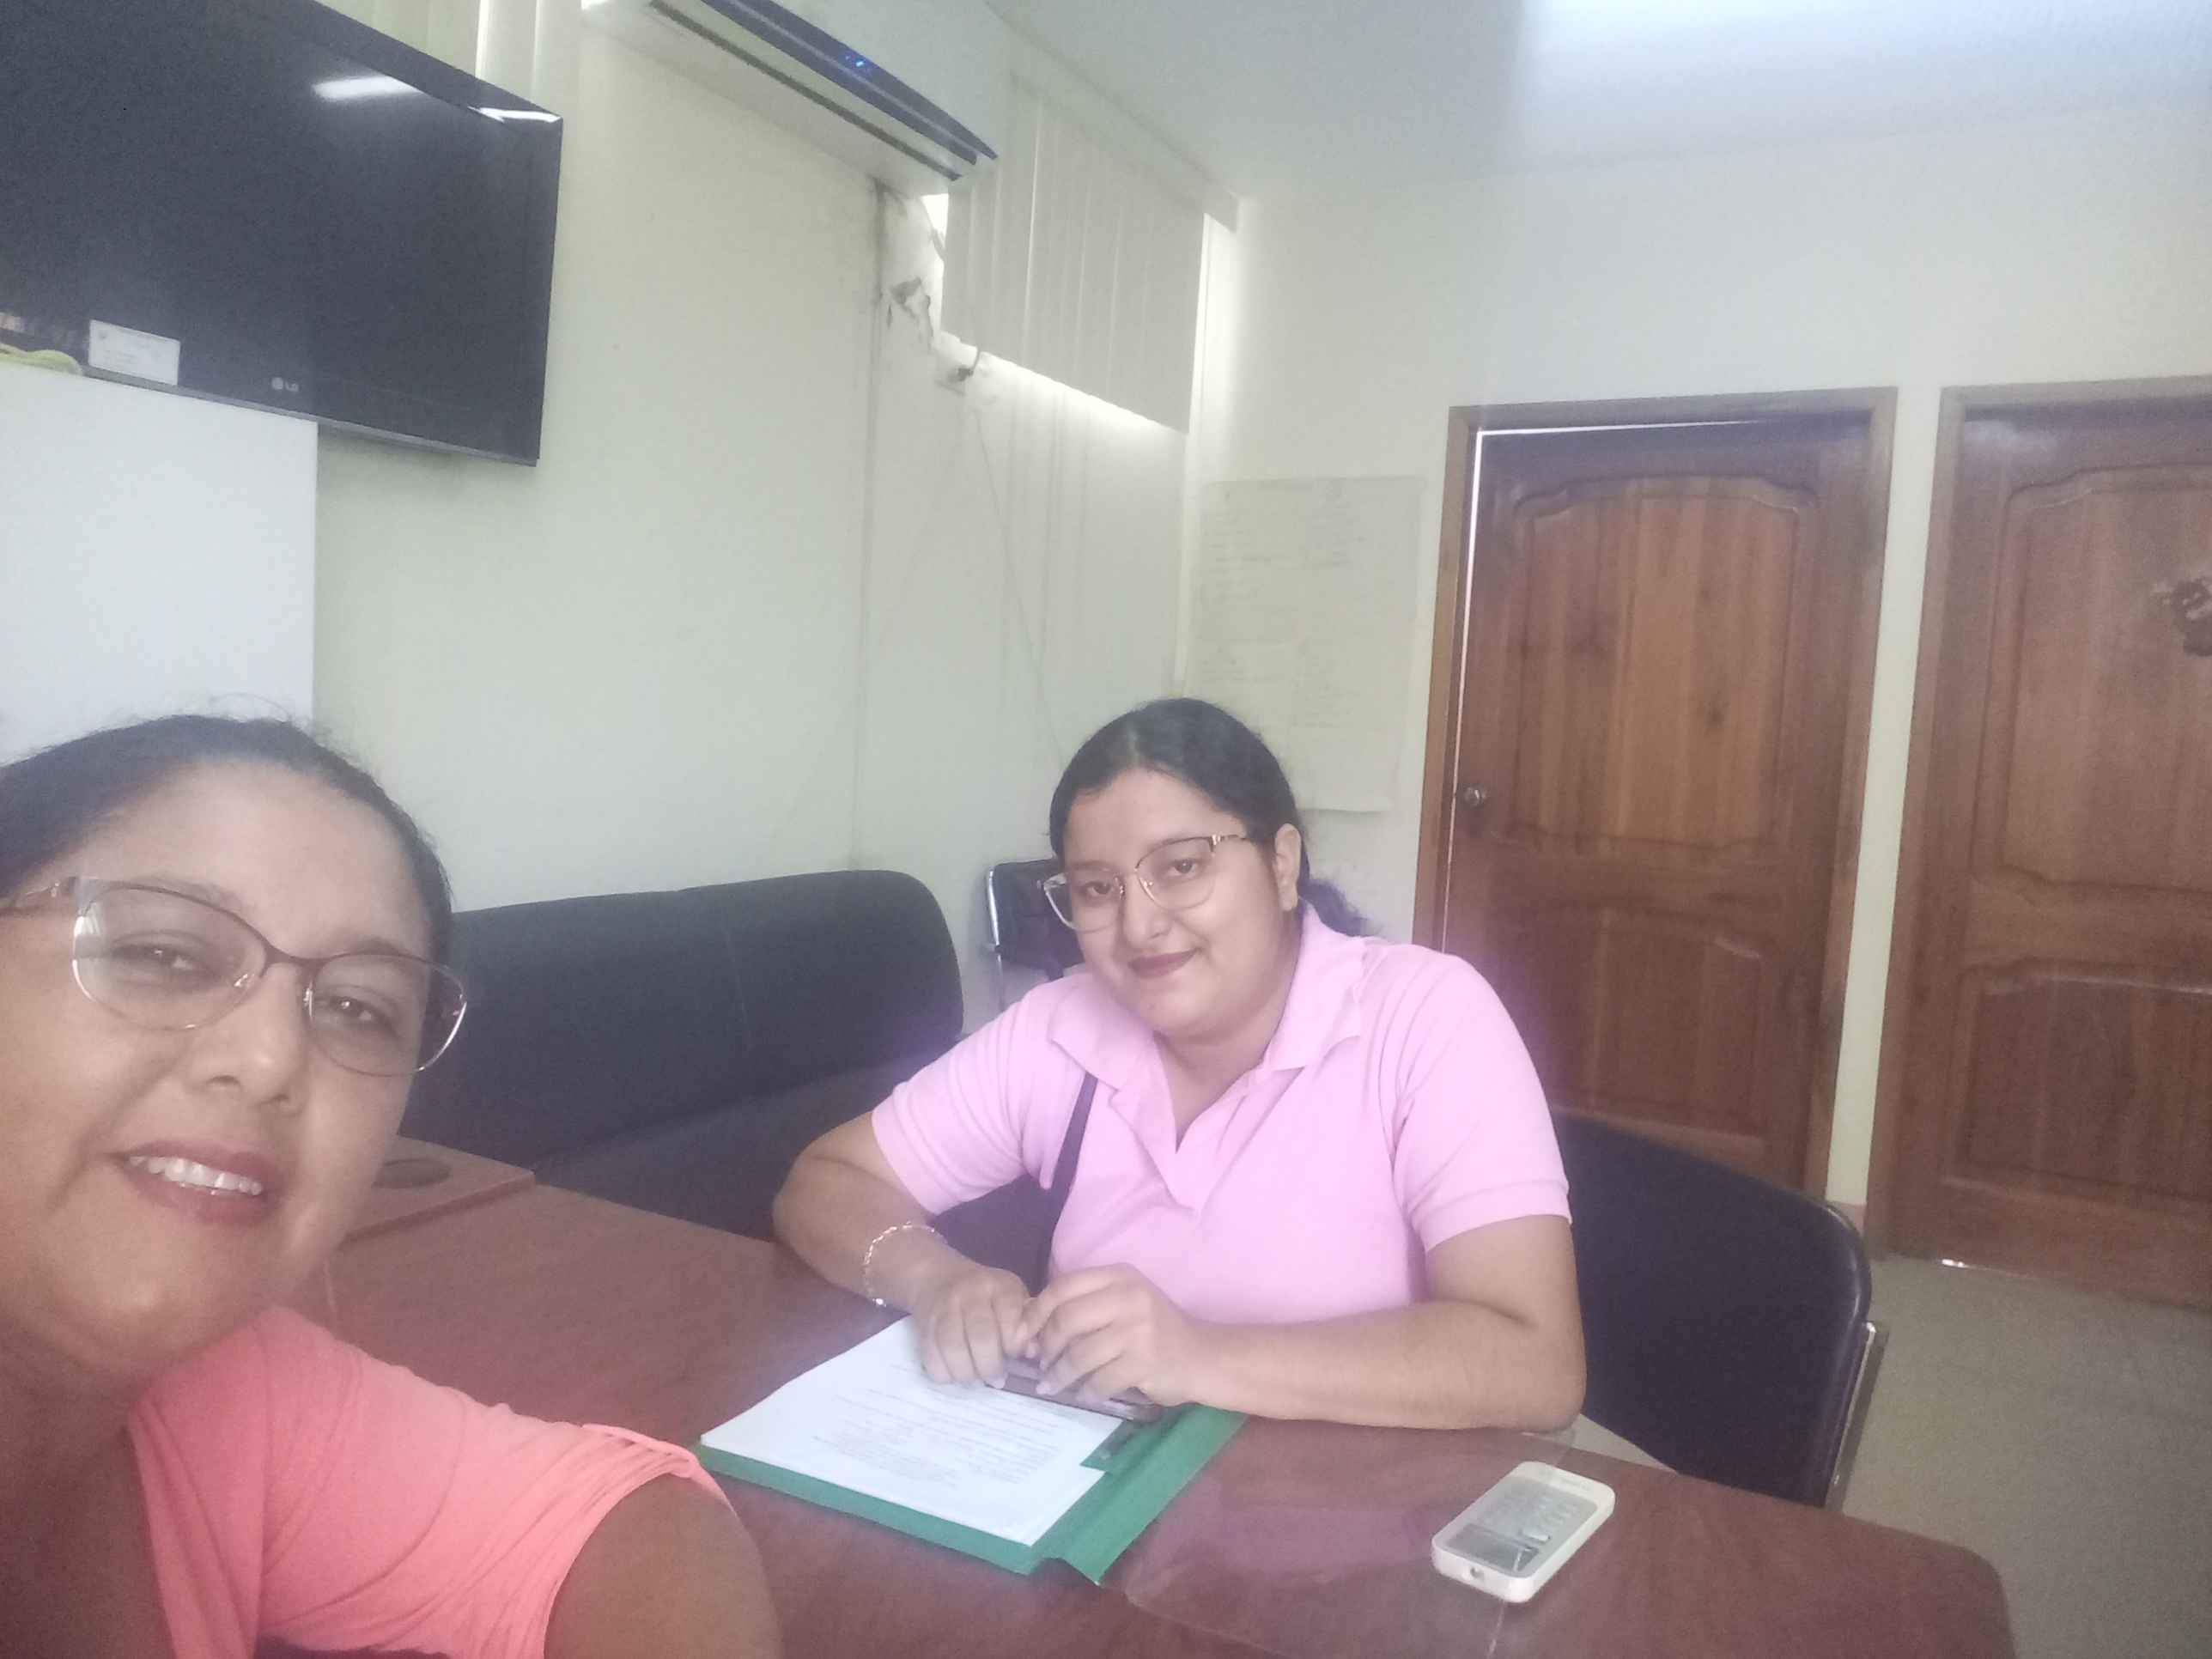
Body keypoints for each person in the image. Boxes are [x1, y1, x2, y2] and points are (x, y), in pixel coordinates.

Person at [0, 716, 780, 1659]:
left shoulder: (229, 1389)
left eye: (355, 1009)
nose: (271, 1058)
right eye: (165, 955)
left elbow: (631, 1525)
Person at [775, 698, 1584, 1431]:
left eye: (1182, 867)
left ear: (1281, 864)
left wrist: (1201, 1355)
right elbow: (827, 1182)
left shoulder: (1422, 1017)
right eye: (1098, 889)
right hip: (1105, 1497)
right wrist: (933, 1278)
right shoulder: (1061, 1028)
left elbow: (1535, 1362)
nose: (1139, 925)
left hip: (1365, 1505)